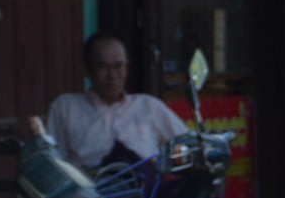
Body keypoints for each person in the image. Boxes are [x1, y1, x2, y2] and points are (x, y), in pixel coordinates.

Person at [46, 35, 183, 172]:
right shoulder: (65, 108)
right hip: (90, 190)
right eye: (103, 67)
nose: (112, 75)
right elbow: (52, 164)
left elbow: (188, 145)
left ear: (127, 67)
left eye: (118, 66)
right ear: (87, 69)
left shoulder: (149, 106)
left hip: (144, 190)